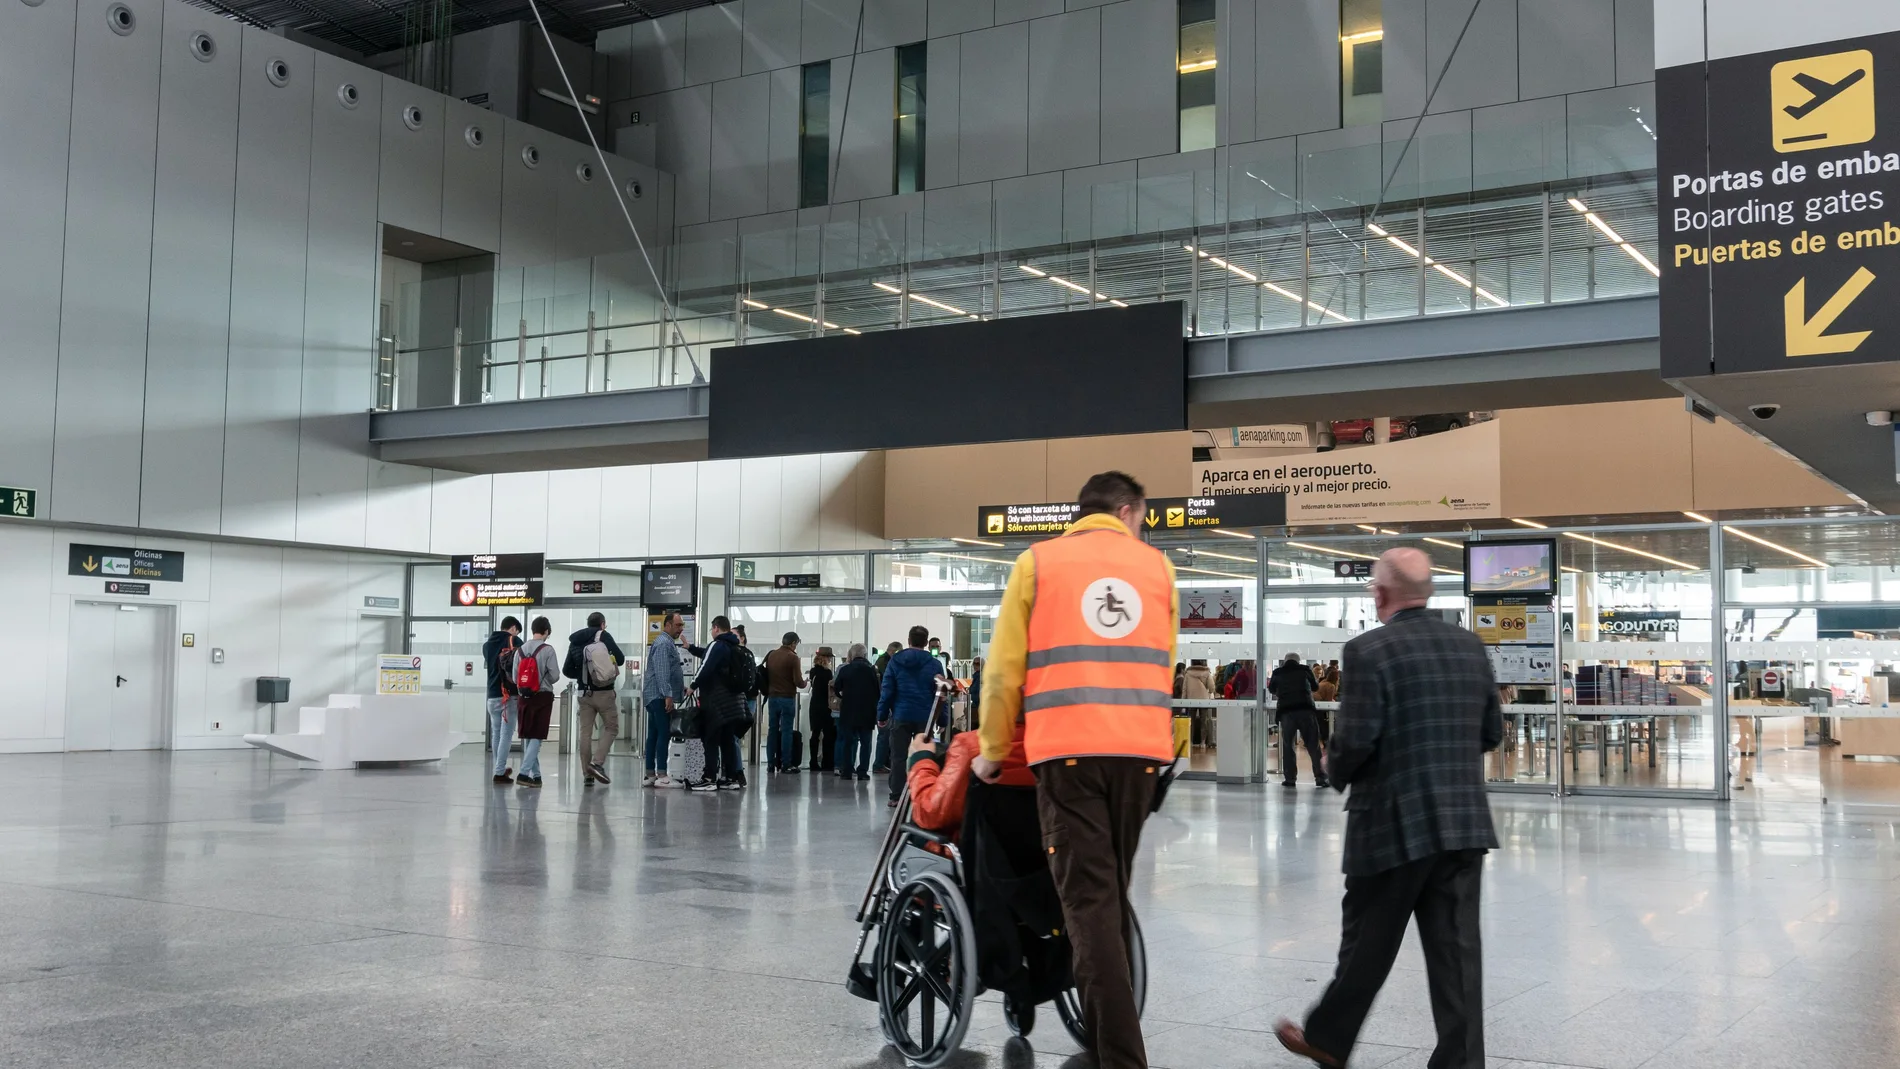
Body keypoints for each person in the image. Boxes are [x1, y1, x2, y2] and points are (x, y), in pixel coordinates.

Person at [974, 471, 1178, 1069]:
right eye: (1141, 517)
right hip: (1140, 758)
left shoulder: (1038, 563)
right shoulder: (1157, 569)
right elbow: (1161, 666)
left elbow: (1005, 668)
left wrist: (991, 747)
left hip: (1066, 756)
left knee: (1089, 906)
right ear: (1126, 509)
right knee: (1108, 898)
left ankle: (1121, 1058)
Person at [1276, 548, 1505, 1069]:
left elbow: (1355, 740)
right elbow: (1491, 732)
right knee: (1458, 956)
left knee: (1368, 945)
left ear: (1379, 595)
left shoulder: (1367, 651)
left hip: (1390, 825)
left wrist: (1332, 768)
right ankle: (1461, 1063)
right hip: (1463, 825)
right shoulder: (1470, 647)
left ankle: (1329, 1041)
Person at [905, 722, 1032, 839]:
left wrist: (921, 759)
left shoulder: (968, 746)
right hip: (1041, 852)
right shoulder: (1045, 748)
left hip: (974, 852)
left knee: (914, 829)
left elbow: (930, 814)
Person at [879, 625, 947, 807]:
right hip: (925, 717)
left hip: (901, 714)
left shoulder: (895, 661)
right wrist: (943, 719)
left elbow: (887, 690)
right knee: (924, 756)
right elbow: (941, 693)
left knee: (898, 756)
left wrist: (882, 714)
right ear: (926, 643)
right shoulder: (935, 664)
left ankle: (896, 796)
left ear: (909, 641)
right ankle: (921, 795)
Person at [686, 616, 751, 791]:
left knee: (711, 738)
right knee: (727, 740)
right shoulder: (733, 645)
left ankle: (709, 778)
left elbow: (706, 666)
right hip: (734, 701)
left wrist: (693, 686)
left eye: (712, 629)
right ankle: (731, 777)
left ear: (715, 628)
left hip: (717, 701)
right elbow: (709, 655)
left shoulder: (718, 644)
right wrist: (691, 648)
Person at [566, 613, 626, 786]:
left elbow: (567, 669)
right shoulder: (604, 636)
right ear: (602, 624)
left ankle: (587, 775)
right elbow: (620, 660)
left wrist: (583, 673)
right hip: (604, 693)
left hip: (584, 694)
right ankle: (597, 763)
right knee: (612, 728)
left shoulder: (575, 641)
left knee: (585, 734)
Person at [513, 617, 562, 789]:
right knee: (537, 736)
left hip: (523, 696)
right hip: (542, 696)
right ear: (547, 631)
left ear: (533, 630)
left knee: (529, 735)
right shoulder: (548, 650)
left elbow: (514, 677)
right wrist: (542, 681)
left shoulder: (520, 650)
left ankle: (537, 776)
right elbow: (555, 675)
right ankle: (524, 773)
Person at [1270, 652, 1329, 790]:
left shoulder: (1278, 672)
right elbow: (1315, 687)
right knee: (1313, 745)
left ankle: (1290, 779)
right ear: (1298, 661)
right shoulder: (1305, 670)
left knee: (1288, 746)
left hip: (1286, 712)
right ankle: (1320, 778)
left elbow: (1272, 688)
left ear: (1285, 661)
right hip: (1306, 711)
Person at [643, 612, 687, 786]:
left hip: (655, 694)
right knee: (664, 733)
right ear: (667, 625)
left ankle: (650, 774)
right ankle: (662, 775)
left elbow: (667, 672)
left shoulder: (666, 643)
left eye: (682, 625)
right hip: (659, 696)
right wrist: (668, 694)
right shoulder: (663, 644)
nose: (681, 628)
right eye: (678, 625)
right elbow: (662, 672)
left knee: (653, 734)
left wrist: (677, 688)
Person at [481, 616, 522, 784]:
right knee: (506, 734)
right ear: (512, 628)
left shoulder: (487, 644)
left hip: (491, 694)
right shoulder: (514, 640)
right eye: (517, 630)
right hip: (508, 694)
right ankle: (499, 771)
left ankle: (500, 768)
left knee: (496, 733)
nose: (517, 633)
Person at [760, 631, 806, 773]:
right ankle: (786, 764)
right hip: (787, 698)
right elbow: (798, 682)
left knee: (772, 730)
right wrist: (806, 682)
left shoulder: (771, 655)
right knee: (786, 731)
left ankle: (770, 764)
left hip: (772, 698)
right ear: (793, 643)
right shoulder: (793, 658)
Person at [833, 643, 879, 779]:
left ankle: (847, 770)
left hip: (848, 711)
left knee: (848, 741)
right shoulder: (871, 670)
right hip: (867, 712)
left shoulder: (845, 670)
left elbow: (836, 688)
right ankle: (862, 772)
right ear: (865, 655)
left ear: (851, 655)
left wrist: (844, 696)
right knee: (866, 743)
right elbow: (878, 691)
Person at [872, 641, 902, 773]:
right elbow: (888, 686)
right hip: (886, 704)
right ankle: (879, 764)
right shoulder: (887, 664)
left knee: (886, 736)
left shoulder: (880, 662)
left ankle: (882, 763)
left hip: (883, 703)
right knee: (884, 736)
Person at [808, 646, 836, 772]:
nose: (830, 660)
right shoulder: (827, 673)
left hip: (814, 705)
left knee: (815, 733)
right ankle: (827, 762)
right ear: (825, 658)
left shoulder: (813, 671)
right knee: (828, 734)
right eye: (829, 657)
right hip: (825, 706)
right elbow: (829, 691)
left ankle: (813, 761)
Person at [1181, 658, 1215, 745]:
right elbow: (1212, 687)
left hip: (1191, 700)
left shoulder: (1188, 674)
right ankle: (1202, 742)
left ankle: (1191, 742)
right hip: (1204, 700)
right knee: (1203, 721)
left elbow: (1184, 689)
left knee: (1191, 722)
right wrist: (1209, 692)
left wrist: (1183, 702)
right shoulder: (1207, 673)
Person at [968, 656, 984, 729]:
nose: (975, 665)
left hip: (979, 707)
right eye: (974, 663)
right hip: (975, 707)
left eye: (978, 664)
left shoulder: (981, 677)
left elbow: (979, 694)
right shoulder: (976, 676)